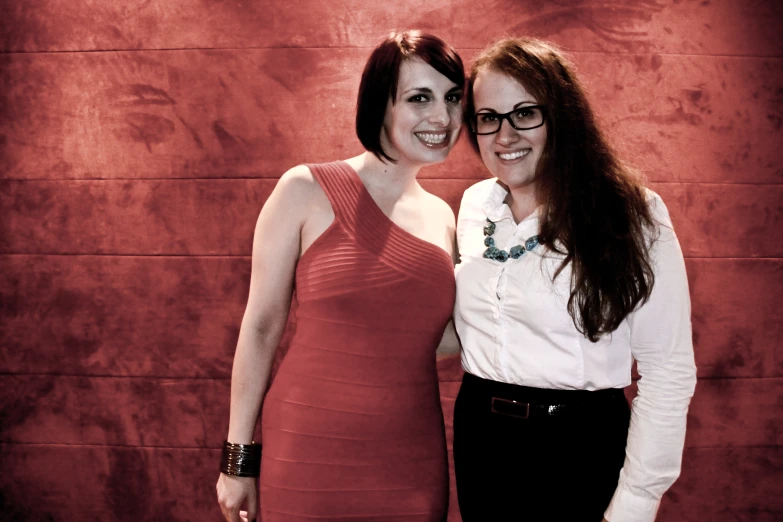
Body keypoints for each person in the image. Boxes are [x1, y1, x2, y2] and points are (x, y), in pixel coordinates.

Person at [215, 30, 465, 522]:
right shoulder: (304, 188)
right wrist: (237, 460)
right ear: (381, 106)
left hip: (411, 456)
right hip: (309, 449)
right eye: (420, 98)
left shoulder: (446, 217)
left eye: (453, 98)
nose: (442, 117)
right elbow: (261, 326)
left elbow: (443, 338)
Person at [451, 37, 697, 522]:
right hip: (481, 438)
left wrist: (636, 503)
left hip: (578, 446)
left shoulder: (632, 213)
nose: (504, 135)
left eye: (525, 113)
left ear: (562, 116)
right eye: (488, 117)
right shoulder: (474, 205)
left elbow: (669, 373)